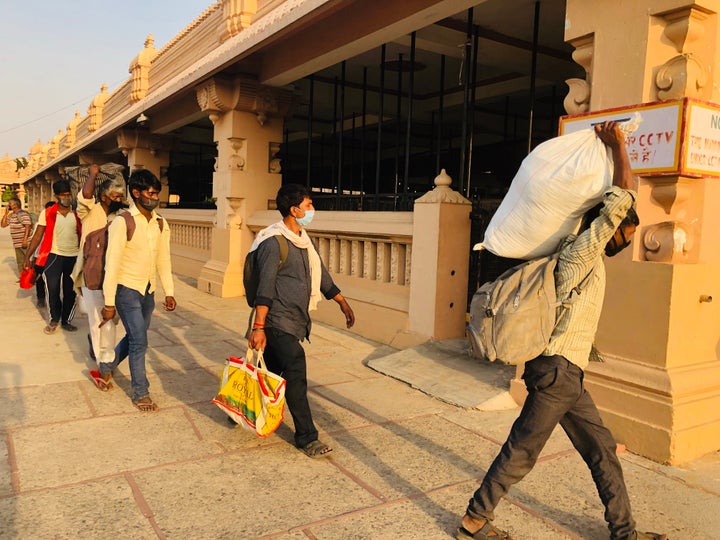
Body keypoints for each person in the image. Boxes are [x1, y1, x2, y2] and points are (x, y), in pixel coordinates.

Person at [456, 122, 666, 540]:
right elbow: (621, 201)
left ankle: (624, 532)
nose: (626, 238)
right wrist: (618, 146)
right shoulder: (578, 253)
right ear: (606, 226)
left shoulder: (580, 257)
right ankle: (474, 520)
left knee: (601, 450)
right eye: (627, 230)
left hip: (566, 373)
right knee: (523, 448)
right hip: (557, 374)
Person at [248, 183, 355, 458]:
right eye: (309, 205)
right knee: (295, 367)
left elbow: (322, 274)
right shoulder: (273, 242)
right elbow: (265, 287)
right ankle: (307, 437)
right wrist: (259, 327)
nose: (312, 210)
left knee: (269, 371)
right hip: (275, 319)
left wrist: (341, 301)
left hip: (296, 319)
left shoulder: (304, 239)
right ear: (294, 209)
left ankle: (245, 407)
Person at [97, 169, 176, 412]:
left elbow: (164, 259)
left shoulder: (161, 223)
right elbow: (112, 264)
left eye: (156, 193)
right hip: (126, 290)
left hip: (148, 291)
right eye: (150, 193)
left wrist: (169, 291)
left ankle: (106, 368)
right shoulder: (122, 222)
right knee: (140, 341)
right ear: (136, 193)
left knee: (134, 337)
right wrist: (109, 303)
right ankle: (141, 392)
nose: (154, 197)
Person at [70, 164, 127, 362]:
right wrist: (93, 174)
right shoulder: (89, 211)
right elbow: (86, 193)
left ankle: (104, 351)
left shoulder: (120, 216)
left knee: (113, 317)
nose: (119, 199)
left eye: (121, 196)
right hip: (91, 272)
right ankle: (103, 359)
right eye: (115, 195)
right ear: (103, 196)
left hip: (113, 274)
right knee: (97, 320)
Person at [23, 181, 81, 334]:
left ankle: (66, 320)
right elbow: (37, 236)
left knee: (71, 291)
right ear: (56, 196)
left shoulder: (78, 212)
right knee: (52, 290)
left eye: (69, 195)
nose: (67, 198)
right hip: (53, 256)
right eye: (63, 195)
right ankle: (54, 319)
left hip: (73, 257)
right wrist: (28, 256)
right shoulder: (48, 213)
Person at [1, 197, 32, 276]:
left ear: (15, 205)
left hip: (25, 242)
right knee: (20, 261)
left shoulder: (22, 214)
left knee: (28, 260)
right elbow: (3, 225)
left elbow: (27, 226)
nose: (8, 205)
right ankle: (23, 277)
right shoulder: (12, 215)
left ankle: (31, 278)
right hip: (17, 243)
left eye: (10, 203)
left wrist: (25, 240)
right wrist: (6, 213)